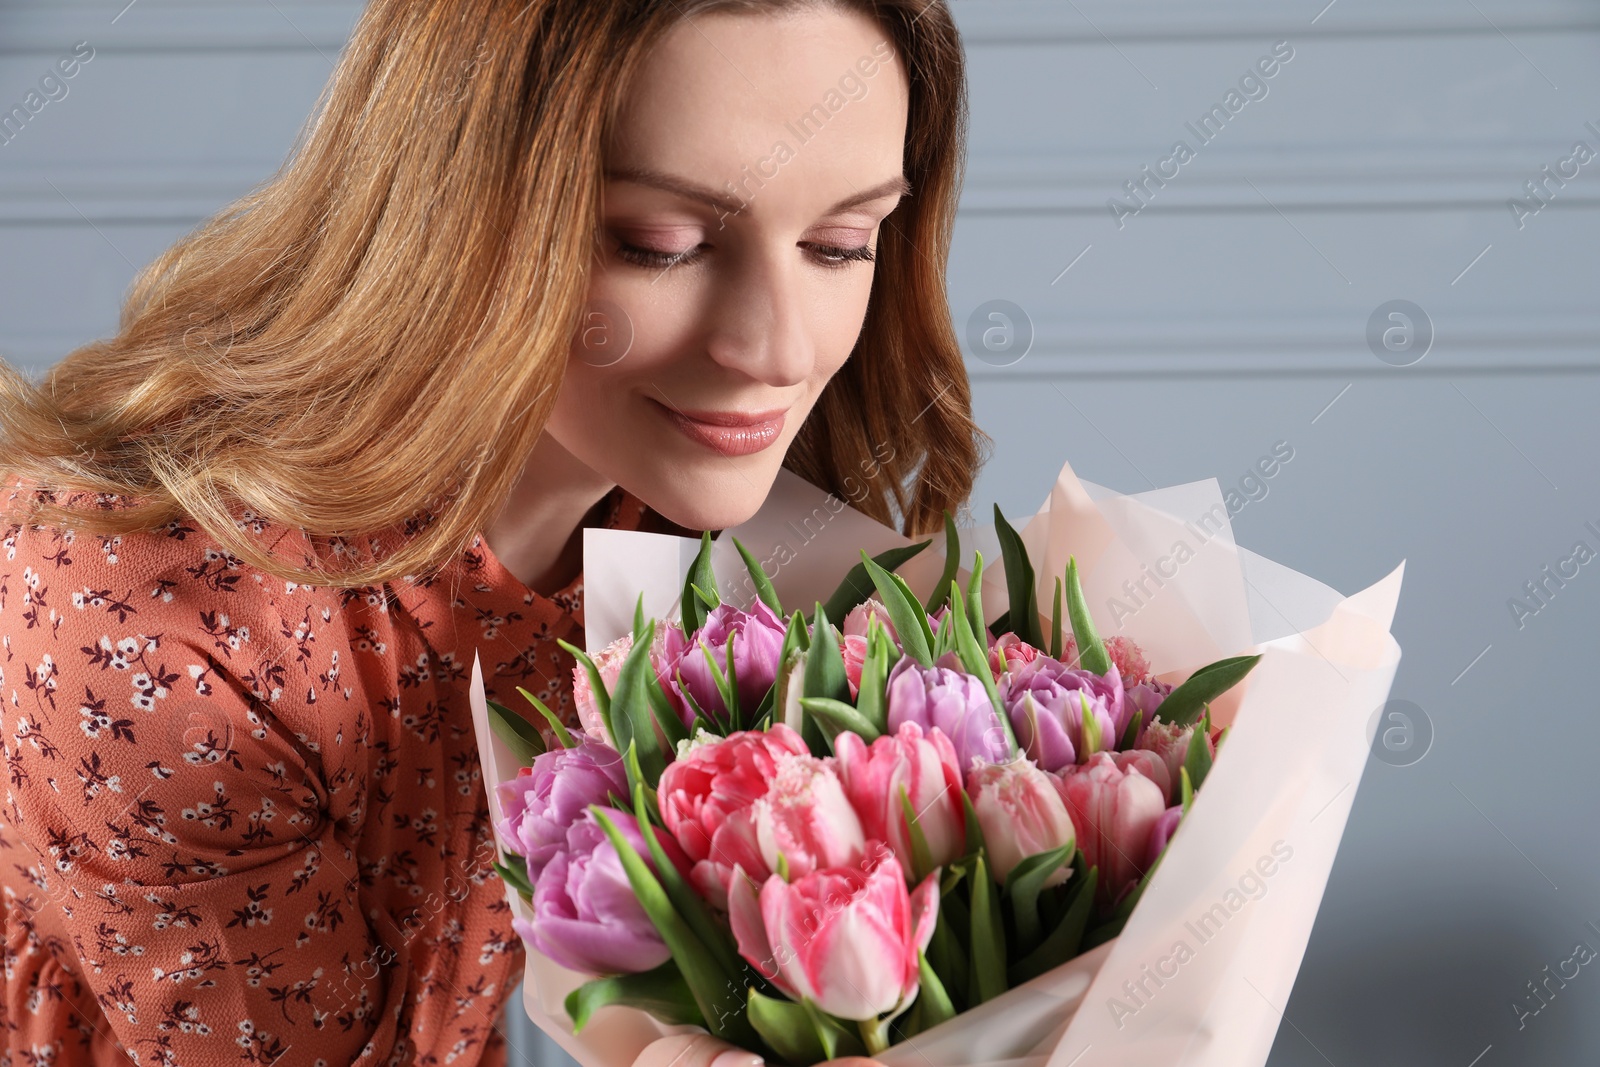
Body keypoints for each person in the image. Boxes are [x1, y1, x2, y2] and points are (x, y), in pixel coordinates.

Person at [0, 0, 983, 1064]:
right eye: (661, 245)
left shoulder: (686, 517)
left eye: (841, 244)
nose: (778, 349)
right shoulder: (159, 633)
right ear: (451, 213)